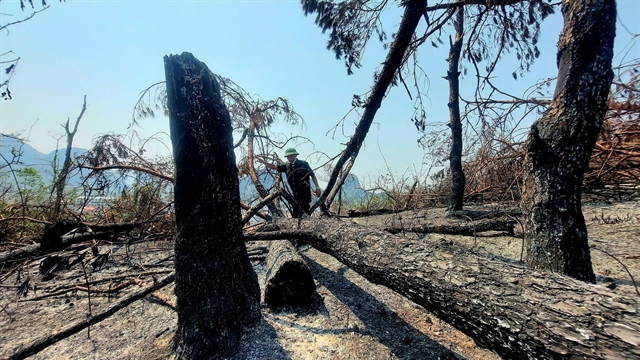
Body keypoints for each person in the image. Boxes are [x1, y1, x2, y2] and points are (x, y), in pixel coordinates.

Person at [257, 148, 321, 218]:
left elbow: (312, 175)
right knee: (296, 215)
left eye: (291, 156)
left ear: (295, 156)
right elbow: (274, 167)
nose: (289, 158)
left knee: (305, 213)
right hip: (295, 195)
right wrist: (264, 162)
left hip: (305, 194)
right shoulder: (286, 166)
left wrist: (317, 187)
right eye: (288, 157)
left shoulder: (303, 164)